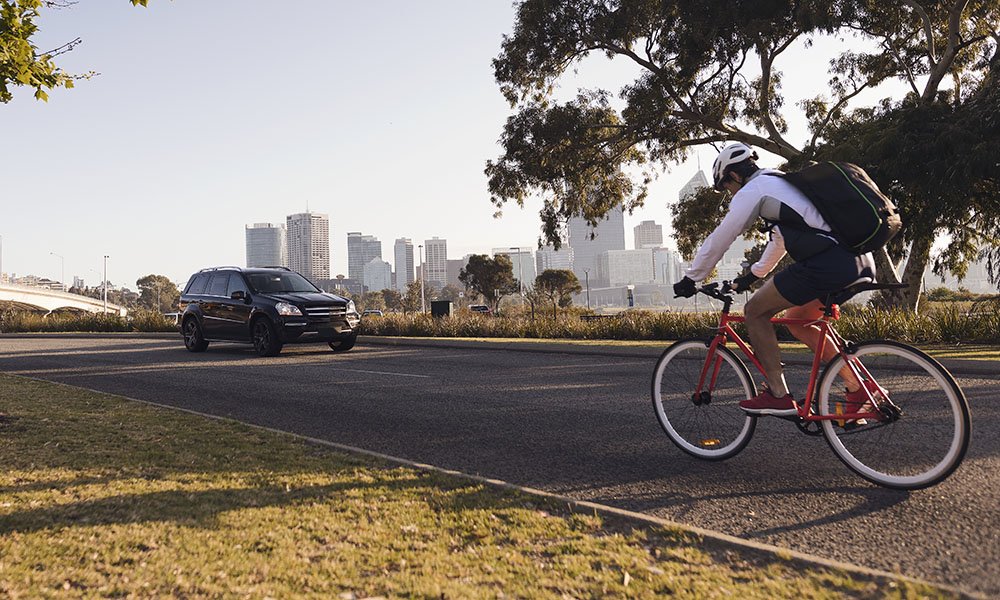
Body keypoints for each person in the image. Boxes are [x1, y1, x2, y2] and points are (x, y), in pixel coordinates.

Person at [673, 143, 878, 416]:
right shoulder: (781, 182)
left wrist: (691, 277)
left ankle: (778, 394)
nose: (729, 193)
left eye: (726, 186)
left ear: (733, 176)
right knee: (799, 321)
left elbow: (723, 236)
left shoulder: (753, 190)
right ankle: (858, 389)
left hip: (825, 264)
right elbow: (780, 240)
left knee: (754, 312)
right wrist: (753, 276)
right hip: (857, 260)